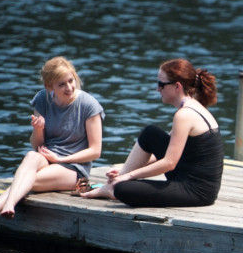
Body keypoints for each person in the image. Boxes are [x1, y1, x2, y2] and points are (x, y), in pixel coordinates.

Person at [0, 56, 104, 228]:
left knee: (28, 180)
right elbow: (37, 146)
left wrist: (60, 159)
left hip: (74, 167)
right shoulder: (42, 99)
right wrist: (38, 129)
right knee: (31, 155)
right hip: (46, 157)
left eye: (71, 81)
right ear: (49, 86)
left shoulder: (89, 104)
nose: (69, 87)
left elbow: (95, 151)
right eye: (61, 84)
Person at [80, 58, 223, 207]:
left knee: (123, 188)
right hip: (186, 176)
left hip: (196, 191)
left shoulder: (184, 115)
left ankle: (113, 188)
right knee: (151, 133)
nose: (157, 89)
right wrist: (124, 171)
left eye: (161, 85)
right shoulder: (192, 106)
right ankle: (113, 183)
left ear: (177, 86)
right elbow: (168, 153)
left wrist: (129, 176)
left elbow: (169, 163)